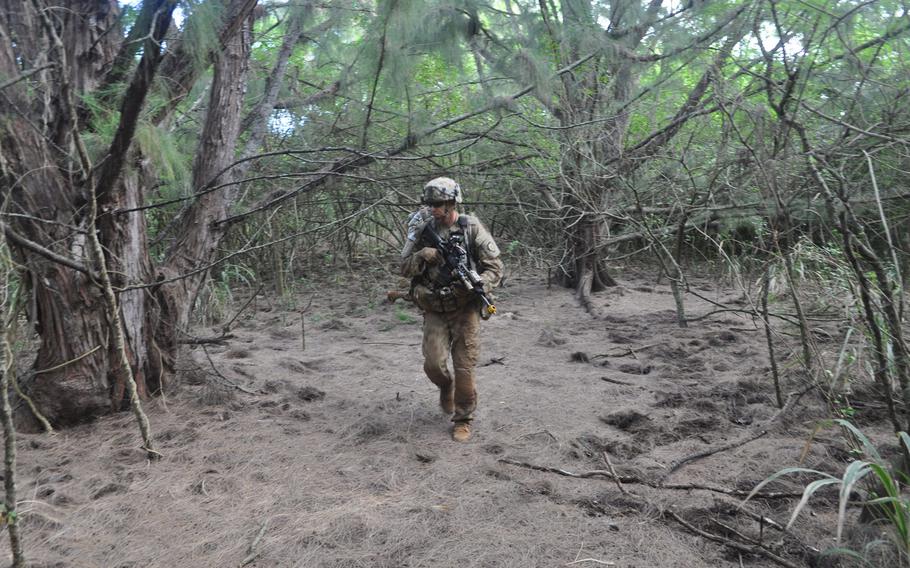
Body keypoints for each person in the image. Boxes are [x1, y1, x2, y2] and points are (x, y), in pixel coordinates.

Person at [400, 177, 504, 442]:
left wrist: (479, 283)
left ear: (451, 203)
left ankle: (463, 419)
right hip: (434, 306)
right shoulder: (422, 229)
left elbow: (495, 268)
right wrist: (422, 255)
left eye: (439, 204)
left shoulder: (471, 227)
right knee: (433, 365)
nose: (433, 208)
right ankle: (445, 387)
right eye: (430, 204)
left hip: (464, 307)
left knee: (464, 366)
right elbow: (403, 269)